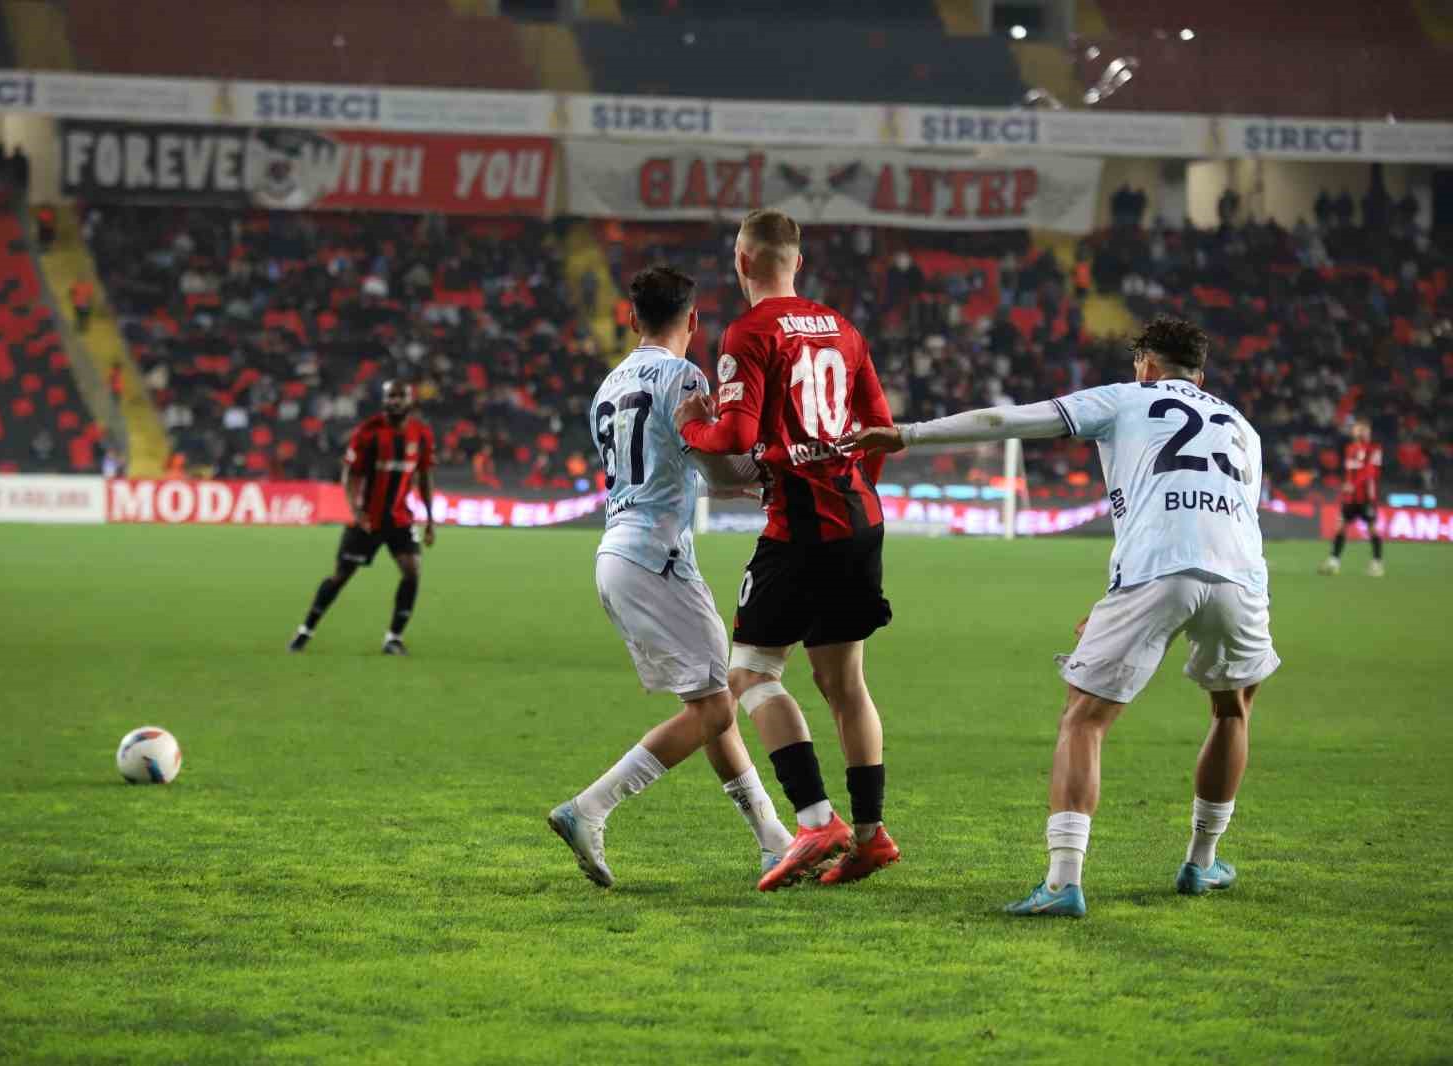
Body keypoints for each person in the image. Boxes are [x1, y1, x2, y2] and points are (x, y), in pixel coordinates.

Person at [843, 315, 1279, 918]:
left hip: (1156, 571)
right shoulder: (1245, 428)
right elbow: (1221, 516)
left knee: (1084, 719)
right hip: (1240, 575)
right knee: (1232, 711)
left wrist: (907, 434)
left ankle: (1063, 881)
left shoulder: (1127, 399)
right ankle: (1202, 863)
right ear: (1199, 375)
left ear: (1146, 366)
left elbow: (1008, 420)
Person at [673, 209, 900, 892]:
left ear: (742, 262)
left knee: (748, 677)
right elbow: (880, 430)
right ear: (795, 263)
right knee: (844, 684)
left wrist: (692, 426)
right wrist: (853, 496)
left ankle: (815, 819)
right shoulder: (843, 327)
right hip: (859, 519)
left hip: (799, 530)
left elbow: (736, 436)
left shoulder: (748, 333)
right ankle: (869, 836)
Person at [547, 265, 794, 888]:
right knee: (720, 701)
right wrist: (773, 470)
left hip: (616, 552)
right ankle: (590, 807)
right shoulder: (685, 378)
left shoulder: (607, 385)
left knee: (709, 701)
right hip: (655, 555)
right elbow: (719, 474)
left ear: (631, 319)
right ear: (695, 321)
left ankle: (773, 841)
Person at [288, 380, 436, 655]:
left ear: (409, 401)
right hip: (368, 519)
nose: (394, 401)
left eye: (399, 397)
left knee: (412, 572)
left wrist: (429, 520)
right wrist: (356, 512)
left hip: (401, 519)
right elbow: (350, 475)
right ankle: (305, 630)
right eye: (390, 396)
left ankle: (393, 638)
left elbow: (425, 476)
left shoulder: (421, 434)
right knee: (341, 577)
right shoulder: (369, 432)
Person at [1320, 420, 1384, 577]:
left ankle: (1377, 563)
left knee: (1372, 528)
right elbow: (1349, 472)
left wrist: (1353, 485)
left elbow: (1370, 472)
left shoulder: (1374, 449)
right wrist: (1347, 487)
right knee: (1340, 526)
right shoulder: (1349, 449)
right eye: (1358, 429)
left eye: (1364, 429)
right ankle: (1334, 561)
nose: (1360, 432)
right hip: (1349, 498)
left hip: (1367, 497)